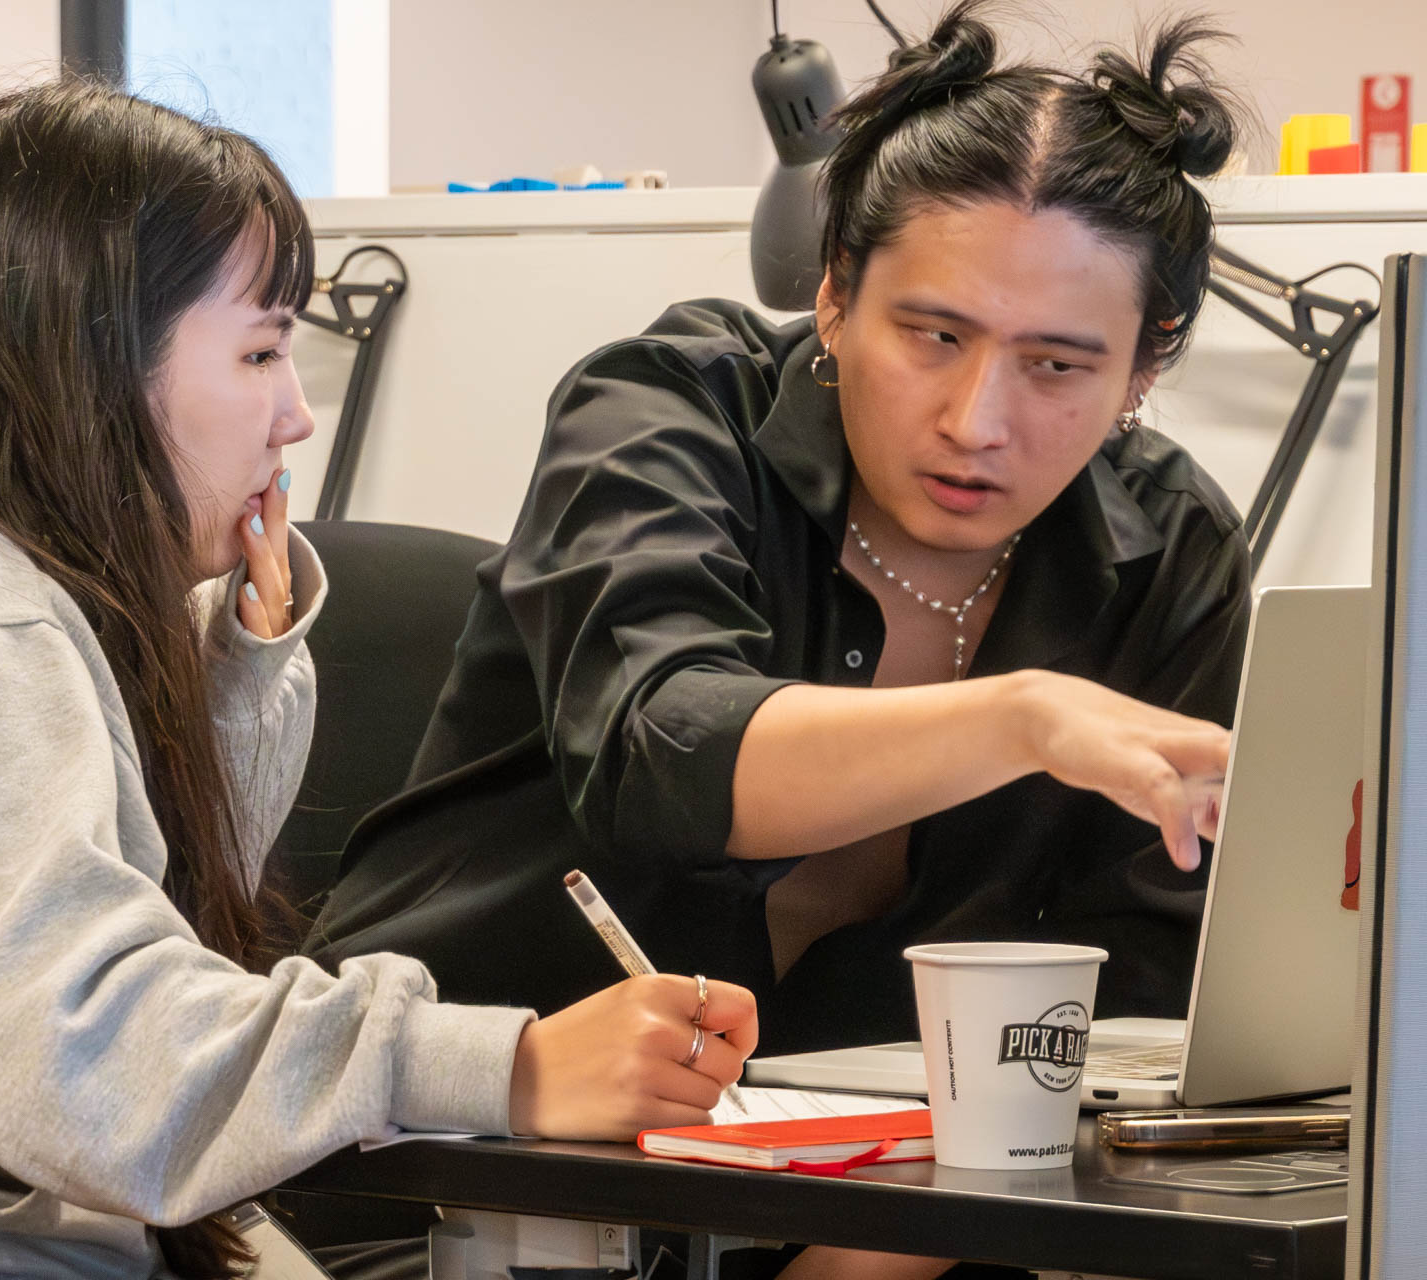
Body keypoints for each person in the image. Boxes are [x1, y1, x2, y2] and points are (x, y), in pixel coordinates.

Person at [0, 82, 759, 1280]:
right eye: (264, 351)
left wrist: (237, 675)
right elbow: (88, 1055)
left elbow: (135, 935)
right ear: (101, 359)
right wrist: (509, 1065)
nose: (294, 418)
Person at [309, 3, 1251, 1067]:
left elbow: (1124, 1012)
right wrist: (1028, 718)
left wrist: (837, 1240)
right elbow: (664, 752)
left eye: (1058, 366)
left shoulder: (1171, 548)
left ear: (1144, 368)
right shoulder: (666, 409)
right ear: (838, 291)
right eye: (934, 335)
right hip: (450, 1153)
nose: (975, 420)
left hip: (888, 1189)